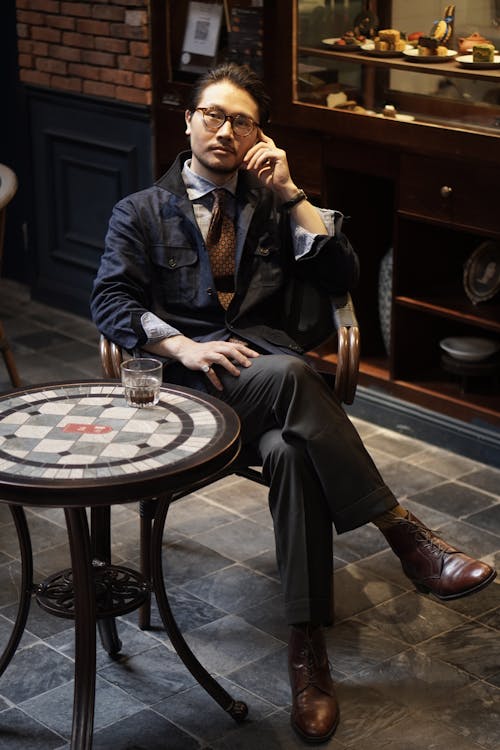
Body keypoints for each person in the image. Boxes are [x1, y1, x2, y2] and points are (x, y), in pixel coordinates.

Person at [91, 63, 496, 744]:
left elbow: (341, 281)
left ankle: (307, 651)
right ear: (187, 121)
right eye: (213, 115)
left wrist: (292, 194)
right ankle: (403, 532)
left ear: (259, 134)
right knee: (290, 378)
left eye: (241, 120)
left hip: (271, 397)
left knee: (291, 448)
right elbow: (109, 302)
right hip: (193, 402)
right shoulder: (139, 211)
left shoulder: (272, 206)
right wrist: (184, 348)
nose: (225, 129)